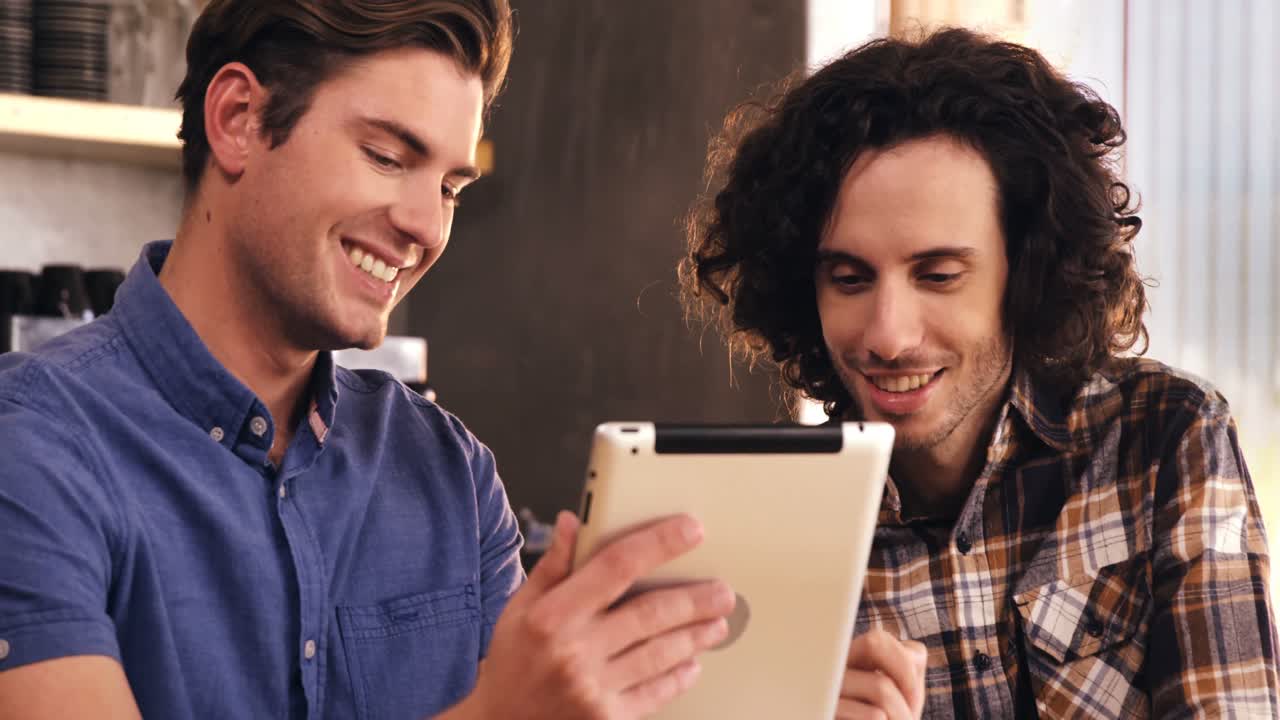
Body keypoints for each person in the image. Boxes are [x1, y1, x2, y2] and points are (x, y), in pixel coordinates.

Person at [0, 2, 736, 718]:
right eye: (387, 157)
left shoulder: (453, 473)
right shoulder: (29, 447)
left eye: (450, 187)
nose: (426, 226)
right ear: (237, 121)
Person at [681, 27, 1280, 719]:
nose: (888, 335)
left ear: (1024, 276)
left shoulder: (1166, 439)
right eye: (848, 279)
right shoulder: (774, 536)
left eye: (938, 276)